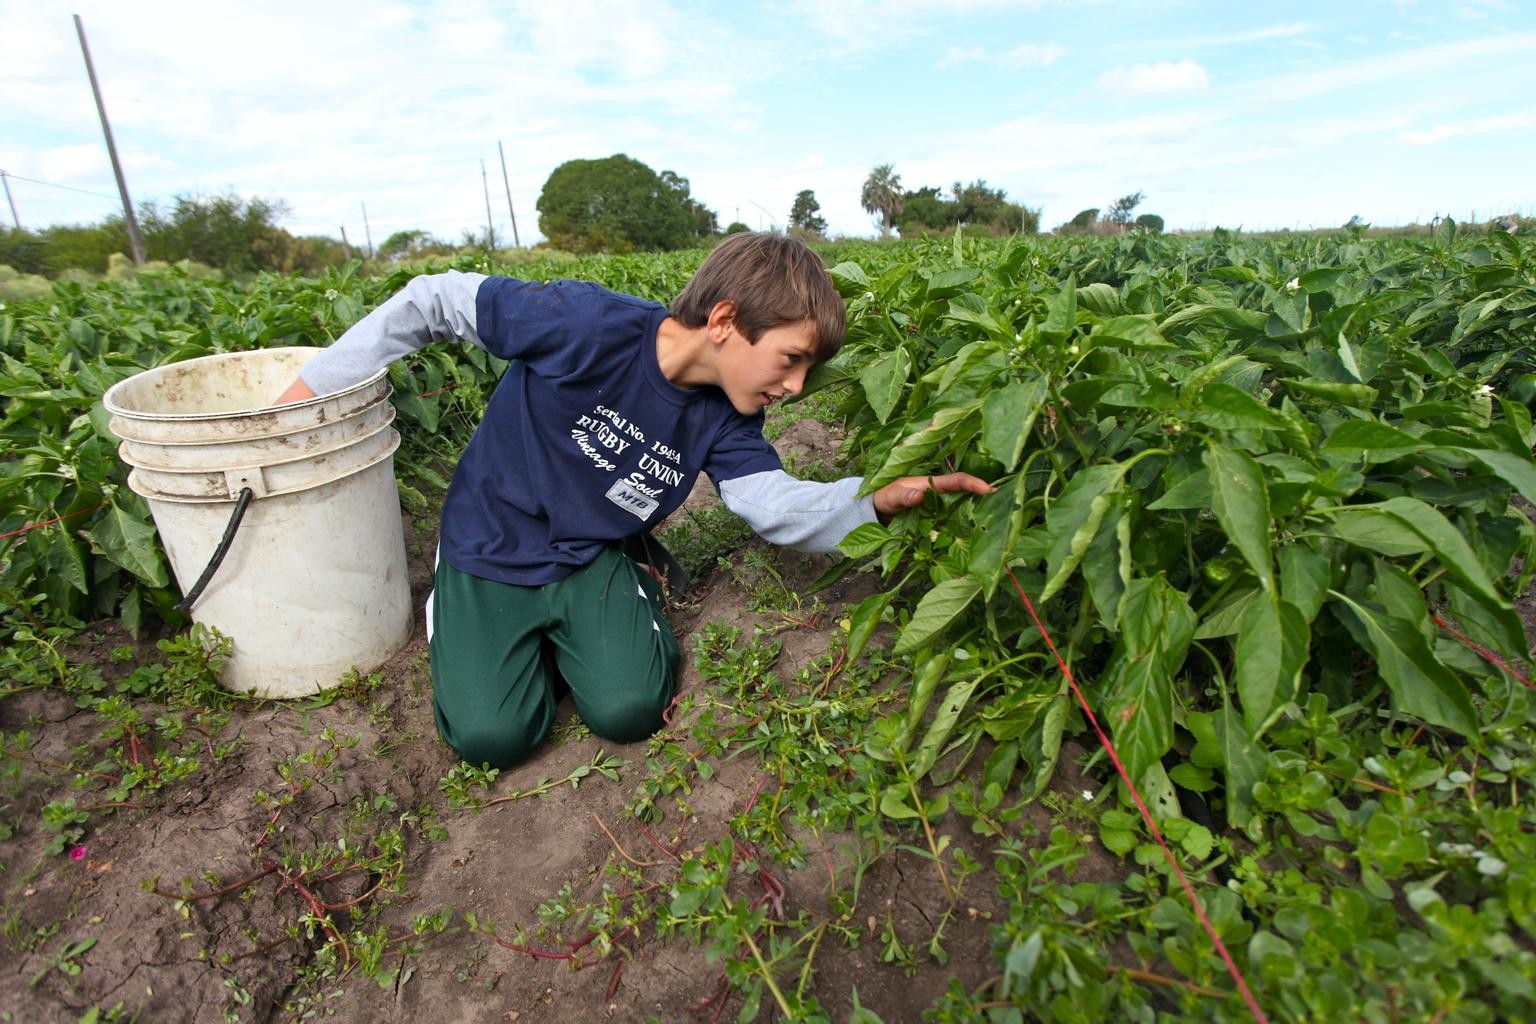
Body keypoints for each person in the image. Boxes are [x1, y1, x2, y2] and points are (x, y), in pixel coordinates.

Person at [276, 233, 991, 768]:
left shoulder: (729, 415)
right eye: (791, 358)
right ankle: (494, 628)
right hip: (489, 542)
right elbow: (436, 299)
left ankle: (623, 583)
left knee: (629, 709)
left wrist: (876, 501)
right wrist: (316, 388)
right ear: (724, 321)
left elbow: (770, 501)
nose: (796, 387)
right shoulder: (588, 326)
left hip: (590, 551)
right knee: (493, 737)